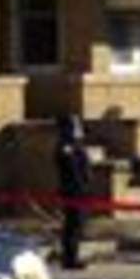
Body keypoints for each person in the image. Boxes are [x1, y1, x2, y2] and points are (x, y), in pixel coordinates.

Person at [54, 114, 92, 270]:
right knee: (73, 225)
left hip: (81, 190)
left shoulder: (76, 145)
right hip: (72, 191)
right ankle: (69, 258)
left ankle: (72, 255)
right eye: (74, 126)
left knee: (78, 224)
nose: (78, 129)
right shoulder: (65, 146)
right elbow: (70, 168)